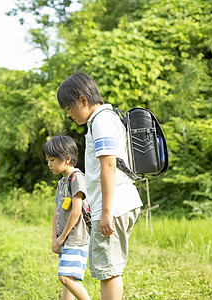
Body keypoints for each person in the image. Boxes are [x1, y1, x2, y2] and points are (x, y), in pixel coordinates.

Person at [56, 72, 142, 300]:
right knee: (109, 268)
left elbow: (109, 166)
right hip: (120, 202)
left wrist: (105, 212)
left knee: (108, 271)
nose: (69, 114)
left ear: (83, 100)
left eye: (69, 108)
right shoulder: (104, 119)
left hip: (113, 206)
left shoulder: (102, 121)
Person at [43, 135, 91, 300]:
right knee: (68, 280)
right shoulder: (61, 182)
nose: (49, 164)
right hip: (64, 239)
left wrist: (62, 237)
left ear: (67, 158)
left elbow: (76, 211)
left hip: (76, 238)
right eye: (48, 160)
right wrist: (54, 239)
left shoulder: (76, 178)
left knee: (64, 277)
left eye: (52, 160)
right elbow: (56, 212)